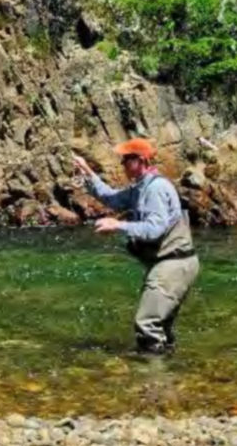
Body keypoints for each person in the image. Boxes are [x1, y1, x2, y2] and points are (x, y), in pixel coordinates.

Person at [74, 139, 199, 355]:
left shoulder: (156, 188)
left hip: (173, 265)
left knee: (147, 323)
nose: (122, 164)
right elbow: (110, 198)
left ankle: (151, 378)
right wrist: (86, 171)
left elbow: (154, 229)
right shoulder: (140, 187)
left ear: (140, 160)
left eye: (126, 159)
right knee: (162, 327)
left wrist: (117, 225)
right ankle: (170, 375)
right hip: (170, 264)